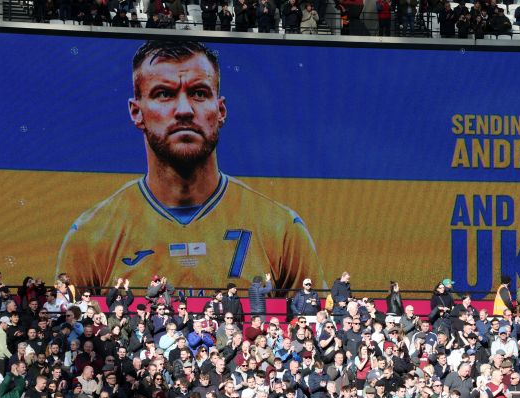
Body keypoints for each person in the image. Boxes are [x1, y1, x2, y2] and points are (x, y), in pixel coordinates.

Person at [56, 40, 324, 290]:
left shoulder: (282, 228)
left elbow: (313, 320)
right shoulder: (90, 236)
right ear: (136, 112)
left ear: (220, 111)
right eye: (164, 94)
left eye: (198, 93)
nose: (184, 109)